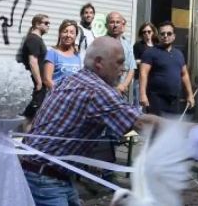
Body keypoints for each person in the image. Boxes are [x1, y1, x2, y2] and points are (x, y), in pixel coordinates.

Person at [22, 37, 158, 206]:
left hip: (48, 173)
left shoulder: (71, 79)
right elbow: (139, 124)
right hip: (46, 178)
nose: (123, 69)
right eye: (119, 62)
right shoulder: (97, 91)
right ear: (99, 63)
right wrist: (190, 132)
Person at [139, 22, 194, 115]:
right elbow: (143, 73)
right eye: (162, 34)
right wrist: (142, 95)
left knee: (171, 127)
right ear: (158, 36)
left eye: (169, 33)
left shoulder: (179, 54)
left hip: (175, 100)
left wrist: (190, 95)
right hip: (156, 99)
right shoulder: (150, 52)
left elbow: (184, 75)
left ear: (174, 36)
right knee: (158, 128)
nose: (165, 36)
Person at [19, 14, 50, 123]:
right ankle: (28, 139)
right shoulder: (34, 39)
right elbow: (33, 62)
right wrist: (39, 82)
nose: (48, 26)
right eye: (45, 23)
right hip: (34, 85)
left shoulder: (36, 39)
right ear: (37, 24)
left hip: (37, 84)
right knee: (32, 116)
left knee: (36, 116)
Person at [42, 20, 81, 90]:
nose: (68, 35)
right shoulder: (52, 53)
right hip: (57, 97)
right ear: (60, 34)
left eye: (72, 32)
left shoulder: (78, 55)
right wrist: (60, 94)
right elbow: (47, 80)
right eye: (65, 32)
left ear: (75, 36)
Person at [105, 12, 136, 100]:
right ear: (106, 25)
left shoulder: (127, 45)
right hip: (106, 90)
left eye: (117, 22)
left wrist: (124, 85)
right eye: (112, 22)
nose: (115, 25)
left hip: (123, 91)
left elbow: (131, 68)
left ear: (122, 24)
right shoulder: (100, 43)